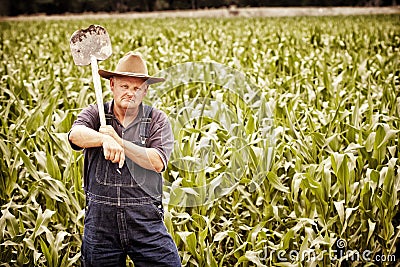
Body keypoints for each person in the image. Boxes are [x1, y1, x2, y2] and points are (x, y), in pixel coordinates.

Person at [68, 52, 181, 266]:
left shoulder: (157, 119)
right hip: (101, 226)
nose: (130, 93)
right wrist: (103, 139)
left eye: (137, 88)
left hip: (145, 222)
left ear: (145, 91)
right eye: (125, 86)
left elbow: (157, 161)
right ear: (112, 85)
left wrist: (119, 142)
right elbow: (76, 135)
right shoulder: (95, 113)